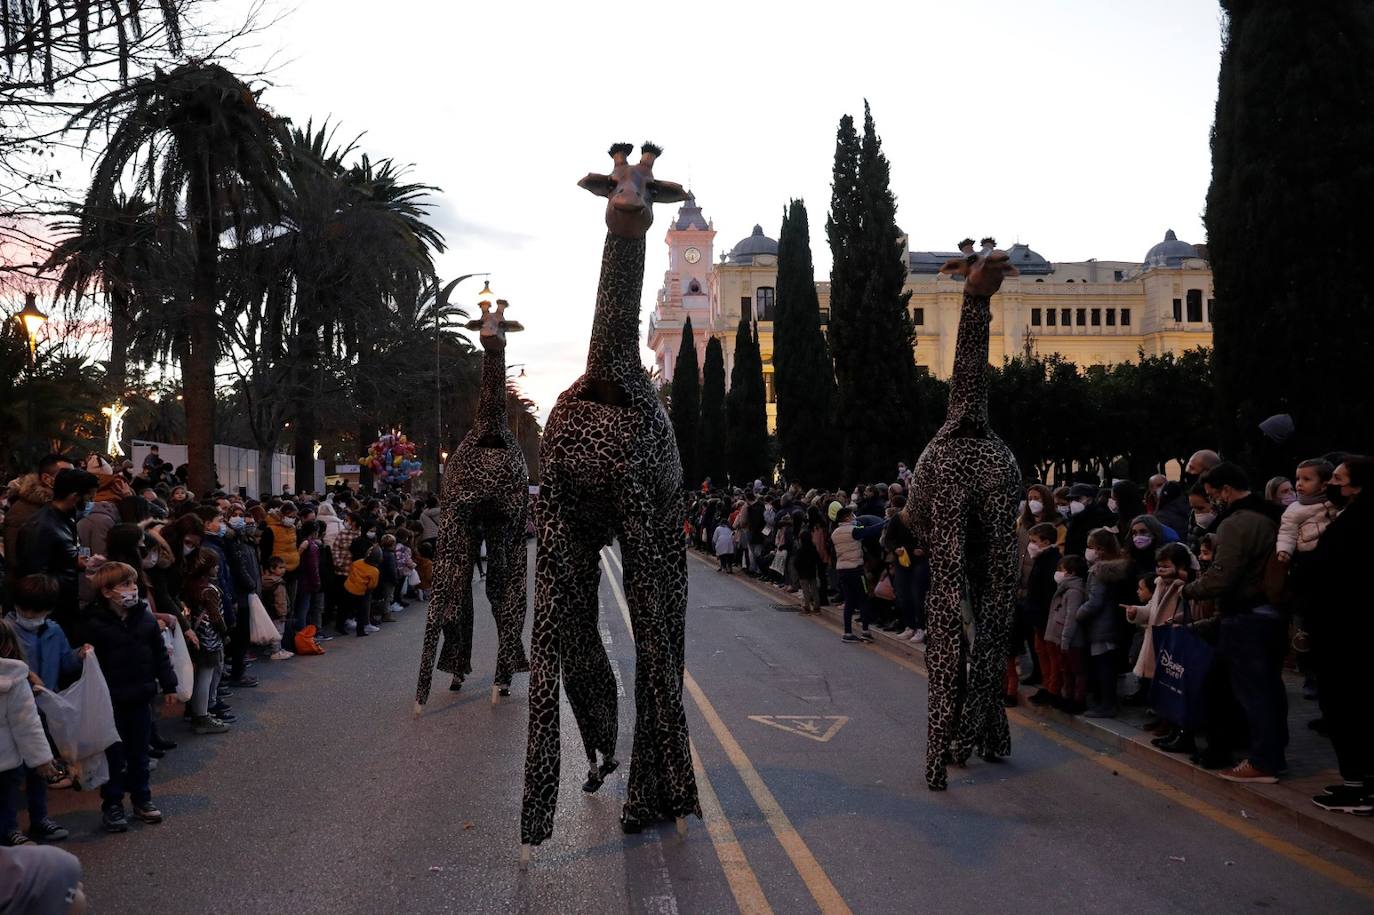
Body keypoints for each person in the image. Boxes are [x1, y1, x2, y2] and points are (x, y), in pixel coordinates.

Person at [1181, 462, 1285, 784]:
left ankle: (1264, 761)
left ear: (1226, 490)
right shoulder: (1271, 515)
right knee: (1266, 689)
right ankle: (1265, 753)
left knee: (1253, 692)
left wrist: (1191, 588)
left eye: (1213, 496)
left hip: (1246, 617)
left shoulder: (1238, 523)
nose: (1213, 503)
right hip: (1269, 614)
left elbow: (1223, 576)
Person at [83, 562, 179, 832]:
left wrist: (169, 684)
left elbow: (160, 654)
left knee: (139, 754)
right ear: (106, 591)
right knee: (114, 756)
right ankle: (112, 804)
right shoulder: (93, 623)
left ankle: (142, 799)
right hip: (110, 699)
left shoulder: (145, 619)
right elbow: (83, 660)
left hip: (140, 696)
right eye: (125, 584)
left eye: (133, 583)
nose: (132, 589)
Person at [1307, 456, 1374, 815]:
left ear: (1357, 485)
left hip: (1346, 634)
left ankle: (1358, 788)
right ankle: (1359, 782)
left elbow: (1338, 574)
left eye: (1337, 478)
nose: (1331, 483)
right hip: (1347, 630)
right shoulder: (1351, 516)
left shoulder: (1358, 523)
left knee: (1348, 708)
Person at [0, 618, 63, 849]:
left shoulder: (16, 679)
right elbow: (27, 722)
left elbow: (26, 723)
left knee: (7, 793)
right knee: (12, 790)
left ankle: (12, 830)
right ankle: (27, 824)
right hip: (12, 752)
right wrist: (42, 759)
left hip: (12, 751)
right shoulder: (16, 677)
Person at [16, 469, 99, 640]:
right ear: (75, 496)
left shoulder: (67, 518)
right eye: (88, 497)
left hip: (66, 606)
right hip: (50, 614)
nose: (91, 502)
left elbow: (59, 557)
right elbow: (35, 576)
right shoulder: (41, 526)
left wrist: (76, 563)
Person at [1074, 529, 1134, 718]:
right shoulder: (1121, 568)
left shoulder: (1099, 572)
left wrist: (1078, 613)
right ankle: (1107, 702)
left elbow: (1095, 601)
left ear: (1100, 549)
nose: (1089, 551)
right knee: (1109, 665)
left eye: (1091, 547)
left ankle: (1107, 704)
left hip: (1101, 626)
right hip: (1115, 624)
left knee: (1104, 667)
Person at [2, 455, 72, 568]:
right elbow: (17, 561)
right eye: (67, 475)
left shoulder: (62, 507)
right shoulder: (22, 512)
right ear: (46, 479)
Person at [831, 507, 887, 643]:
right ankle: (865, 631)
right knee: (864, 599)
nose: (855, 517)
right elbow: (870, 531)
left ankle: (848, 633)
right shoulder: (853, 531)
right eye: (852, 515)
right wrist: (886, 522)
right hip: (856, 569)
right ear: (846, 518)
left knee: (849, 601)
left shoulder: (835, 533)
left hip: (842, 570)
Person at [1022, 523, 1062, 707]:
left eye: (1034, 541)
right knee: (1041, 653)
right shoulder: (1041, 558)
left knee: (1051, 655)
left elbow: (1048, 592)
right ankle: (1047, 686)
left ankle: (1053, 689)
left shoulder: (1052, 561)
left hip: (1046, 617)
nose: (1031, 545)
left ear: (1046, 542)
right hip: (1037, 616)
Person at [1051, 554, 1089, 713]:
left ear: (1072, 572)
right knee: (1066, 670)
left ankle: (1078, 700)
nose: (1058, 573)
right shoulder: (1066, 589)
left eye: (1062, 570)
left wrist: (1065, 640)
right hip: (1064, 638)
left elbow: (1071, 618)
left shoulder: (1074, 591)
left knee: (1077, 671)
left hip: (1073, 640)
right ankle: (1068, 697)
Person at [1063, 483, 1113, 557]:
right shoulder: (1073, 518)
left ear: (1089, 500)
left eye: (1077, 499)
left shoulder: (1101, 517)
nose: (1073, 503)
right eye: (1071, 500)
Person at [343, 539, 381, 637]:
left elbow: (351, 571)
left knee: (344, 608)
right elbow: (372, 584)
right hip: (361, 592)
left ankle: (342, 625)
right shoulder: (374, 571)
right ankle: (360, 631)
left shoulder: (358, 562)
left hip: (348, 587)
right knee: (361, 612)